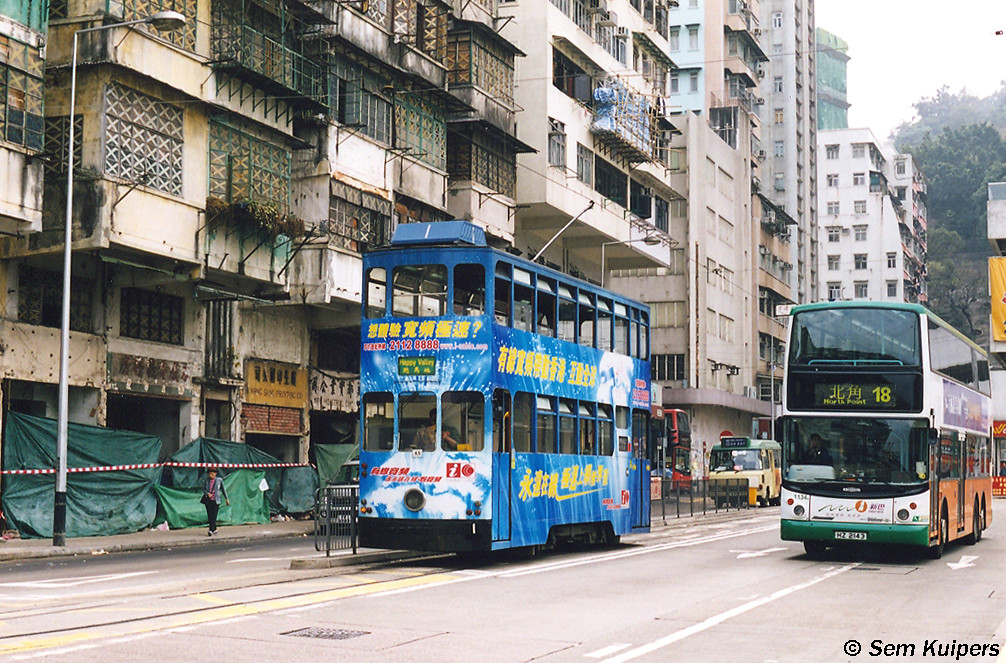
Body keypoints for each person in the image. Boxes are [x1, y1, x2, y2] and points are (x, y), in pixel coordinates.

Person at [202, 467, 229, 537]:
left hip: (216, 500)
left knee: (214, 515)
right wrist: (207, 493)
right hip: (208, 500)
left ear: (215, 474)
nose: (211, 475)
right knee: (210, 515)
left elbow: (223, 489)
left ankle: (210, 530)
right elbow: (203, 489)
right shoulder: (206, 481)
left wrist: (226, 498)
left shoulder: (219, 480)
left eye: (213, 474)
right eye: (210, 474)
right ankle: (215, 529)